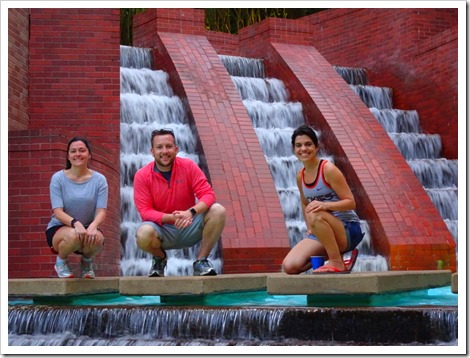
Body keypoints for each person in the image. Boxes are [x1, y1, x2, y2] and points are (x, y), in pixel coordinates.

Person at [133, 128, 226, 277]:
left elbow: (208, 195)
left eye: (169, 146)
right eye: (159, 147)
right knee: (142, 234)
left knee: (218, 210)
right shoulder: (142, 176)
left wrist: (191, 212)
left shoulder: (188, 166)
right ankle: (159, 259)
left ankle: (201, 261)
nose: (164, 151)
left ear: (176, 149)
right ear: (152, 151)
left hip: (189, 226)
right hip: (162, 230)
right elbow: (145, 211)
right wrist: (171, 218)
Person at [282, 125, 363, 274]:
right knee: (290, 267)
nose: (303, 149)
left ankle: (337, 262)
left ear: (316, 147)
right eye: (298, 145)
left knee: (316, 213)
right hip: (322, 228)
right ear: (294, 150)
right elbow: (305, 202)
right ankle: (340, 258)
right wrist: (310, 227)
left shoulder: (328, 169)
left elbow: (351, 202)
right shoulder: (300, 176)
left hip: (347, 228)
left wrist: (325, 206)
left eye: (308, 144)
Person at [45, 137, 108, 278]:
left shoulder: (100, 180)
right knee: (73, 235)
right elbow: (57, 212)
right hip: (60, 229)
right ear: (68, 156)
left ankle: (86, 262)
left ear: (89, 154)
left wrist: (93, 226)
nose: (77, 154)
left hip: (87, 228)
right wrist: (76, 223)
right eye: (73, 151)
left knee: (98, 239)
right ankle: (61, 262)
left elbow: (101, 211)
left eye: (82, 150)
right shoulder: (58, 178)